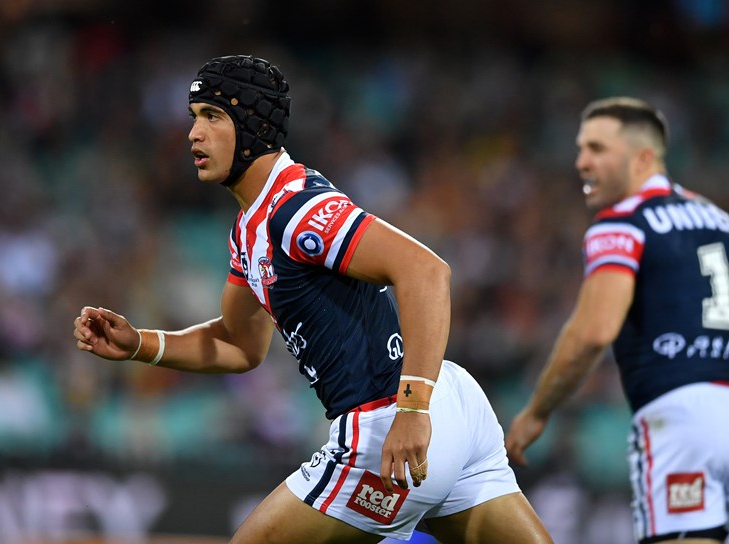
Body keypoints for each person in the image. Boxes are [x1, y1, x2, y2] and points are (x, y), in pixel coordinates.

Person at [73, 55, 551, 543]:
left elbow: (426, 271)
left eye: (212, 116)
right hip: (451, 407)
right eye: (194, 117)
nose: (194, 134)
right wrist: (139, 344)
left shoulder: (296, 209)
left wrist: (412, 409)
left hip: (393, 415)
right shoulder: (249, 228)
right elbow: (240, 345)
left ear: (252, 125)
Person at [505, 97, 729, 544]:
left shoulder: (622, 223)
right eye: (581, 148)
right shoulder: (720, 220)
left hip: (680, 416)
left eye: (598, 149)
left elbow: (593, 332)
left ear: (644, 157)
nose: (582, 162)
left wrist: (537, 411)